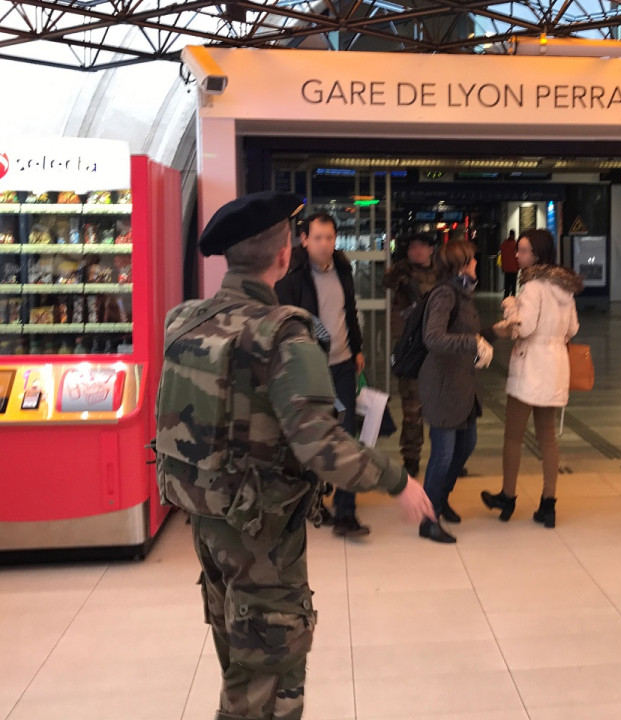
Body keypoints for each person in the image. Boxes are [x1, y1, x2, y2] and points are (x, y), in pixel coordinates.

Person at [155, 190, 434, 720]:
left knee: (237, 652)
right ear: (286, 252)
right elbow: (322, 446)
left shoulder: (185, 320)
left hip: (207, 521)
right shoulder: (283, 333)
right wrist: (398, 480)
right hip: (261, 532)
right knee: (265, 678)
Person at [275, 211, 370, 539]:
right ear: (304, 239)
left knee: (346, 439)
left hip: (343, 367)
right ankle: (313, 501)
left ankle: (347, 513)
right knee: (312, 439)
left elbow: (350, 311)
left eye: (330, 237)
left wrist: (357, 348)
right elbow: (284, 325)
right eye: (318, 237)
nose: (325, 244)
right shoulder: (291, 277)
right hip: (310, 371)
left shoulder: (343, 269)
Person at [482, 229, 582, 528]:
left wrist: (510, 304)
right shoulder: (564, 288)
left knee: (513, 436)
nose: (517, 255)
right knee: (548, 437)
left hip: (531, 366)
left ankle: (508, 497)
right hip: (555, 366)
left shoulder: (533, 287)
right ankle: (548, 504)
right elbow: (573, 328)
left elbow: (523, 328)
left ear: (536, 255)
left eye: (523, 251)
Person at [418, 240, 497, 543]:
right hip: (442, 386)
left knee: (466, 445)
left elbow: (465, 333)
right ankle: (428, 518)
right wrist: (473, 343)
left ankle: (441, 498)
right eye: (473, 260)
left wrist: (491, 334)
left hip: (461, 384)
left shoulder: (463, 293)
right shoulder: (445, 294)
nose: (477, 264)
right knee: (443, 454)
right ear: (462, 264)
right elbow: (433, 338)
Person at [382, 233, 438, 478]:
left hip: (437, 348)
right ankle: (411, 457)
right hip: (411, 350)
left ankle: (443, 455)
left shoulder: (442, 273)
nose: (416, 251)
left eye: (421, 247)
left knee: (440, 407)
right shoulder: (403, 274)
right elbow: (388, 281)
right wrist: (398, 271)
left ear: (431, 250)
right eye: (412, 247)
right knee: (412, 408)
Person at [500, 229, 519, 298]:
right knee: (513, 286)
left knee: (506, 286)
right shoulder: (516, 244)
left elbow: (502, 257)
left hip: (506, 269)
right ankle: (512, 299)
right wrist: (518, 267)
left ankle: (505, 298)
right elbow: (517, 257)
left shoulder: (504, 244)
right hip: (514, 269)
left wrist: (503, 267)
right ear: (514, 235)